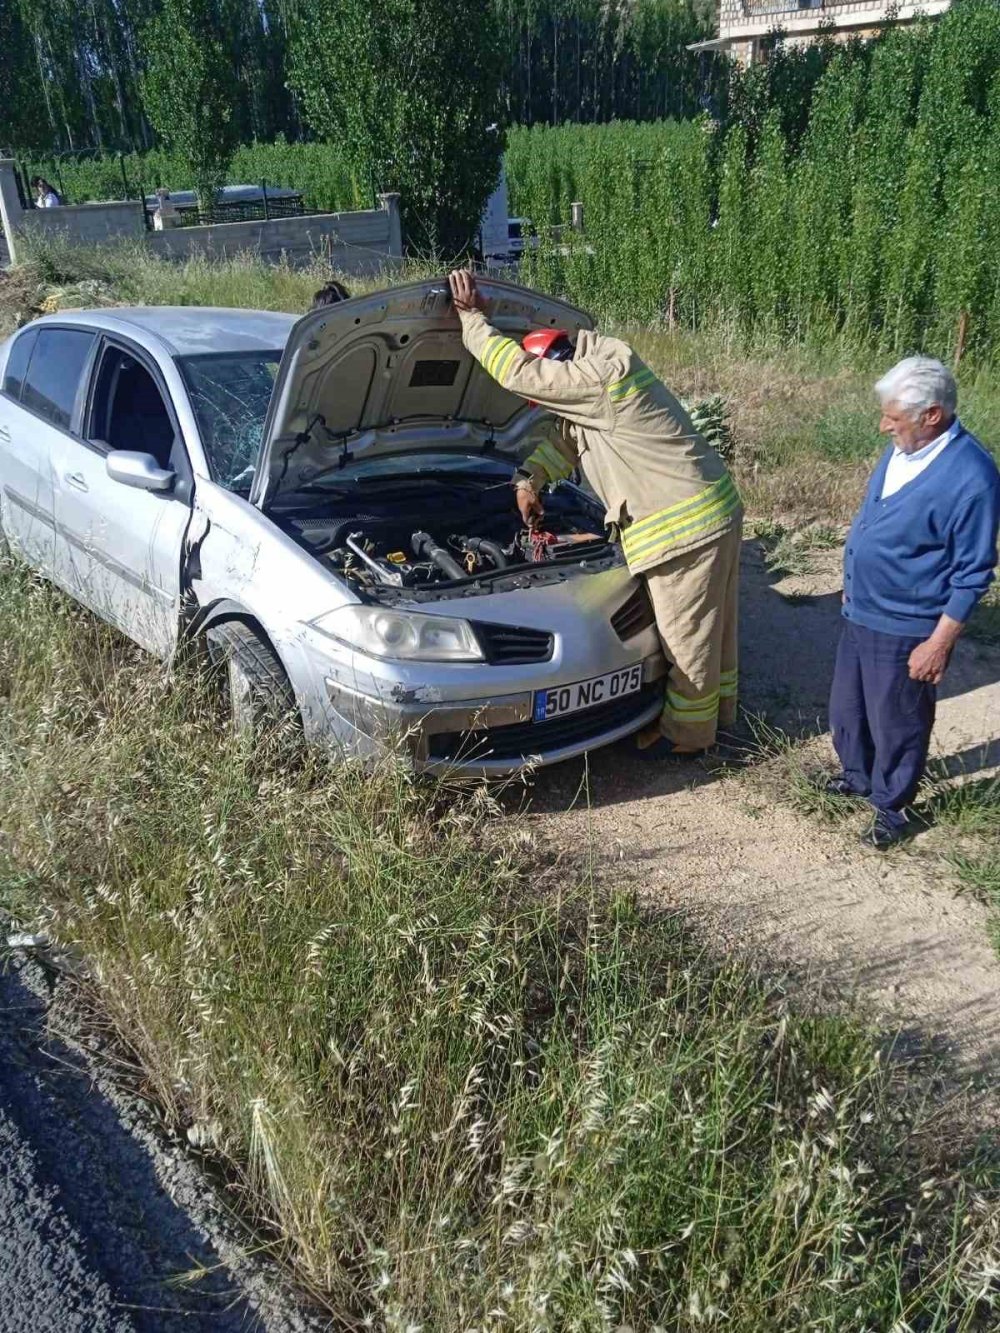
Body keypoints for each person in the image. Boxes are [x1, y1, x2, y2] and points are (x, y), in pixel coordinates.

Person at [447, 268, 743, 759]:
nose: (542, 399)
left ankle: (685, 738)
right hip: (713, 510)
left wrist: (473, 321)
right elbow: (568, 439)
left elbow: (518, 372)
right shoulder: (602, 371)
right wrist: (529, 481)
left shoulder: (600, 380)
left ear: (558, 366)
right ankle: (720, 714)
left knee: (685, 638)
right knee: (715, 633)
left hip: (683, 527)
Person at [827, 356, 1000, 849]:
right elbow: (873, 517)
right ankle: (857, 777)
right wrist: (853, 573)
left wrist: (940, 642)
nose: (883, 426)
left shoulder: (973, 478)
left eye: (893, 418)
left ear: (933, 415)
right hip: (861, 610)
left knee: (897, 720)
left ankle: (892, 806)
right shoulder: (904, 448)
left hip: (907, 624)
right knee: (848, 708)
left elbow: (972, 574)